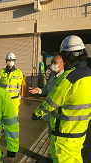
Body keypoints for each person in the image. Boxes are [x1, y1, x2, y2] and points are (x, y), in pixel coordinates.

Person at [31, 35, 91, 163]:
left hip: (65, 133)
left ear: (67, 56)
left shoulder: (70, 77)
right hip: (79, 131)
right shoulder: (87, 74)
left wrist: (37, 113)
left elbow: (53, 100)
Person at [29, 54, 65, 121]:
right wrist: (39, 90)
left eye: (55, 62)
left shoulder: (64, 78)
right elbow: (46, 89)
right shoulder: (52, 76)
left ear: (62, 64)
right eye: (51, 63)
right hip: (50, 112)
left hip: (59, 115)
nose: (52, 64)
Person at [0, 52, 23, 118]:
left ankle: (15, 125)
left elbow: (19, 87)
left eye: (12, 60)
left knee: (14, 115)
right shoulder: (2, 72)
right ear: (6, 61)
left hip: (14, 99)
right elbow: (0, 86)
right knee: (4, 114)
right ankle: (4, 127)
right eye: (9, 60)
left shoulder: (18, 73)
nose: (10, 62)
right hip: (5, 98)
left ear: (14, 61)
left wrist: (19, 96)